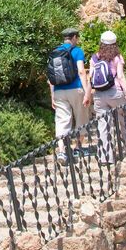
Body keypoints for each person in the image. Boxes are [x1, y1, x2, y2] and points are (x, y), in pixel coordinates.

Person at [90, 30, 126, 164]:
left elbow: (91, 78)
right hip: (115, 93)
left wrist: (88, 95)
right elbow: (120, 77)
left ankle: (105, 157)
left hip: (99, 95)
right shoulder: (117, 57)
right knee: (124, 118)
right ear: (115, 44)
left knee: (103, 125)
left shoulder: (94, 58)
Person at [47, 27, 89, 161]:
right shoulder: (77, 51)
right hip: (75, 89)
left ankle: (61, 151)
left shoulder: (55, 52)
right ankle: (77, 148)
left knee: (61, 121)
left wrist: (52, 95)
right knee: (81, 117)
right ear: (74, 37)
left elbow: (51, 77)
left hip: (59, 91)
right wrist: (87, 91)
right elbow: (82, 72)